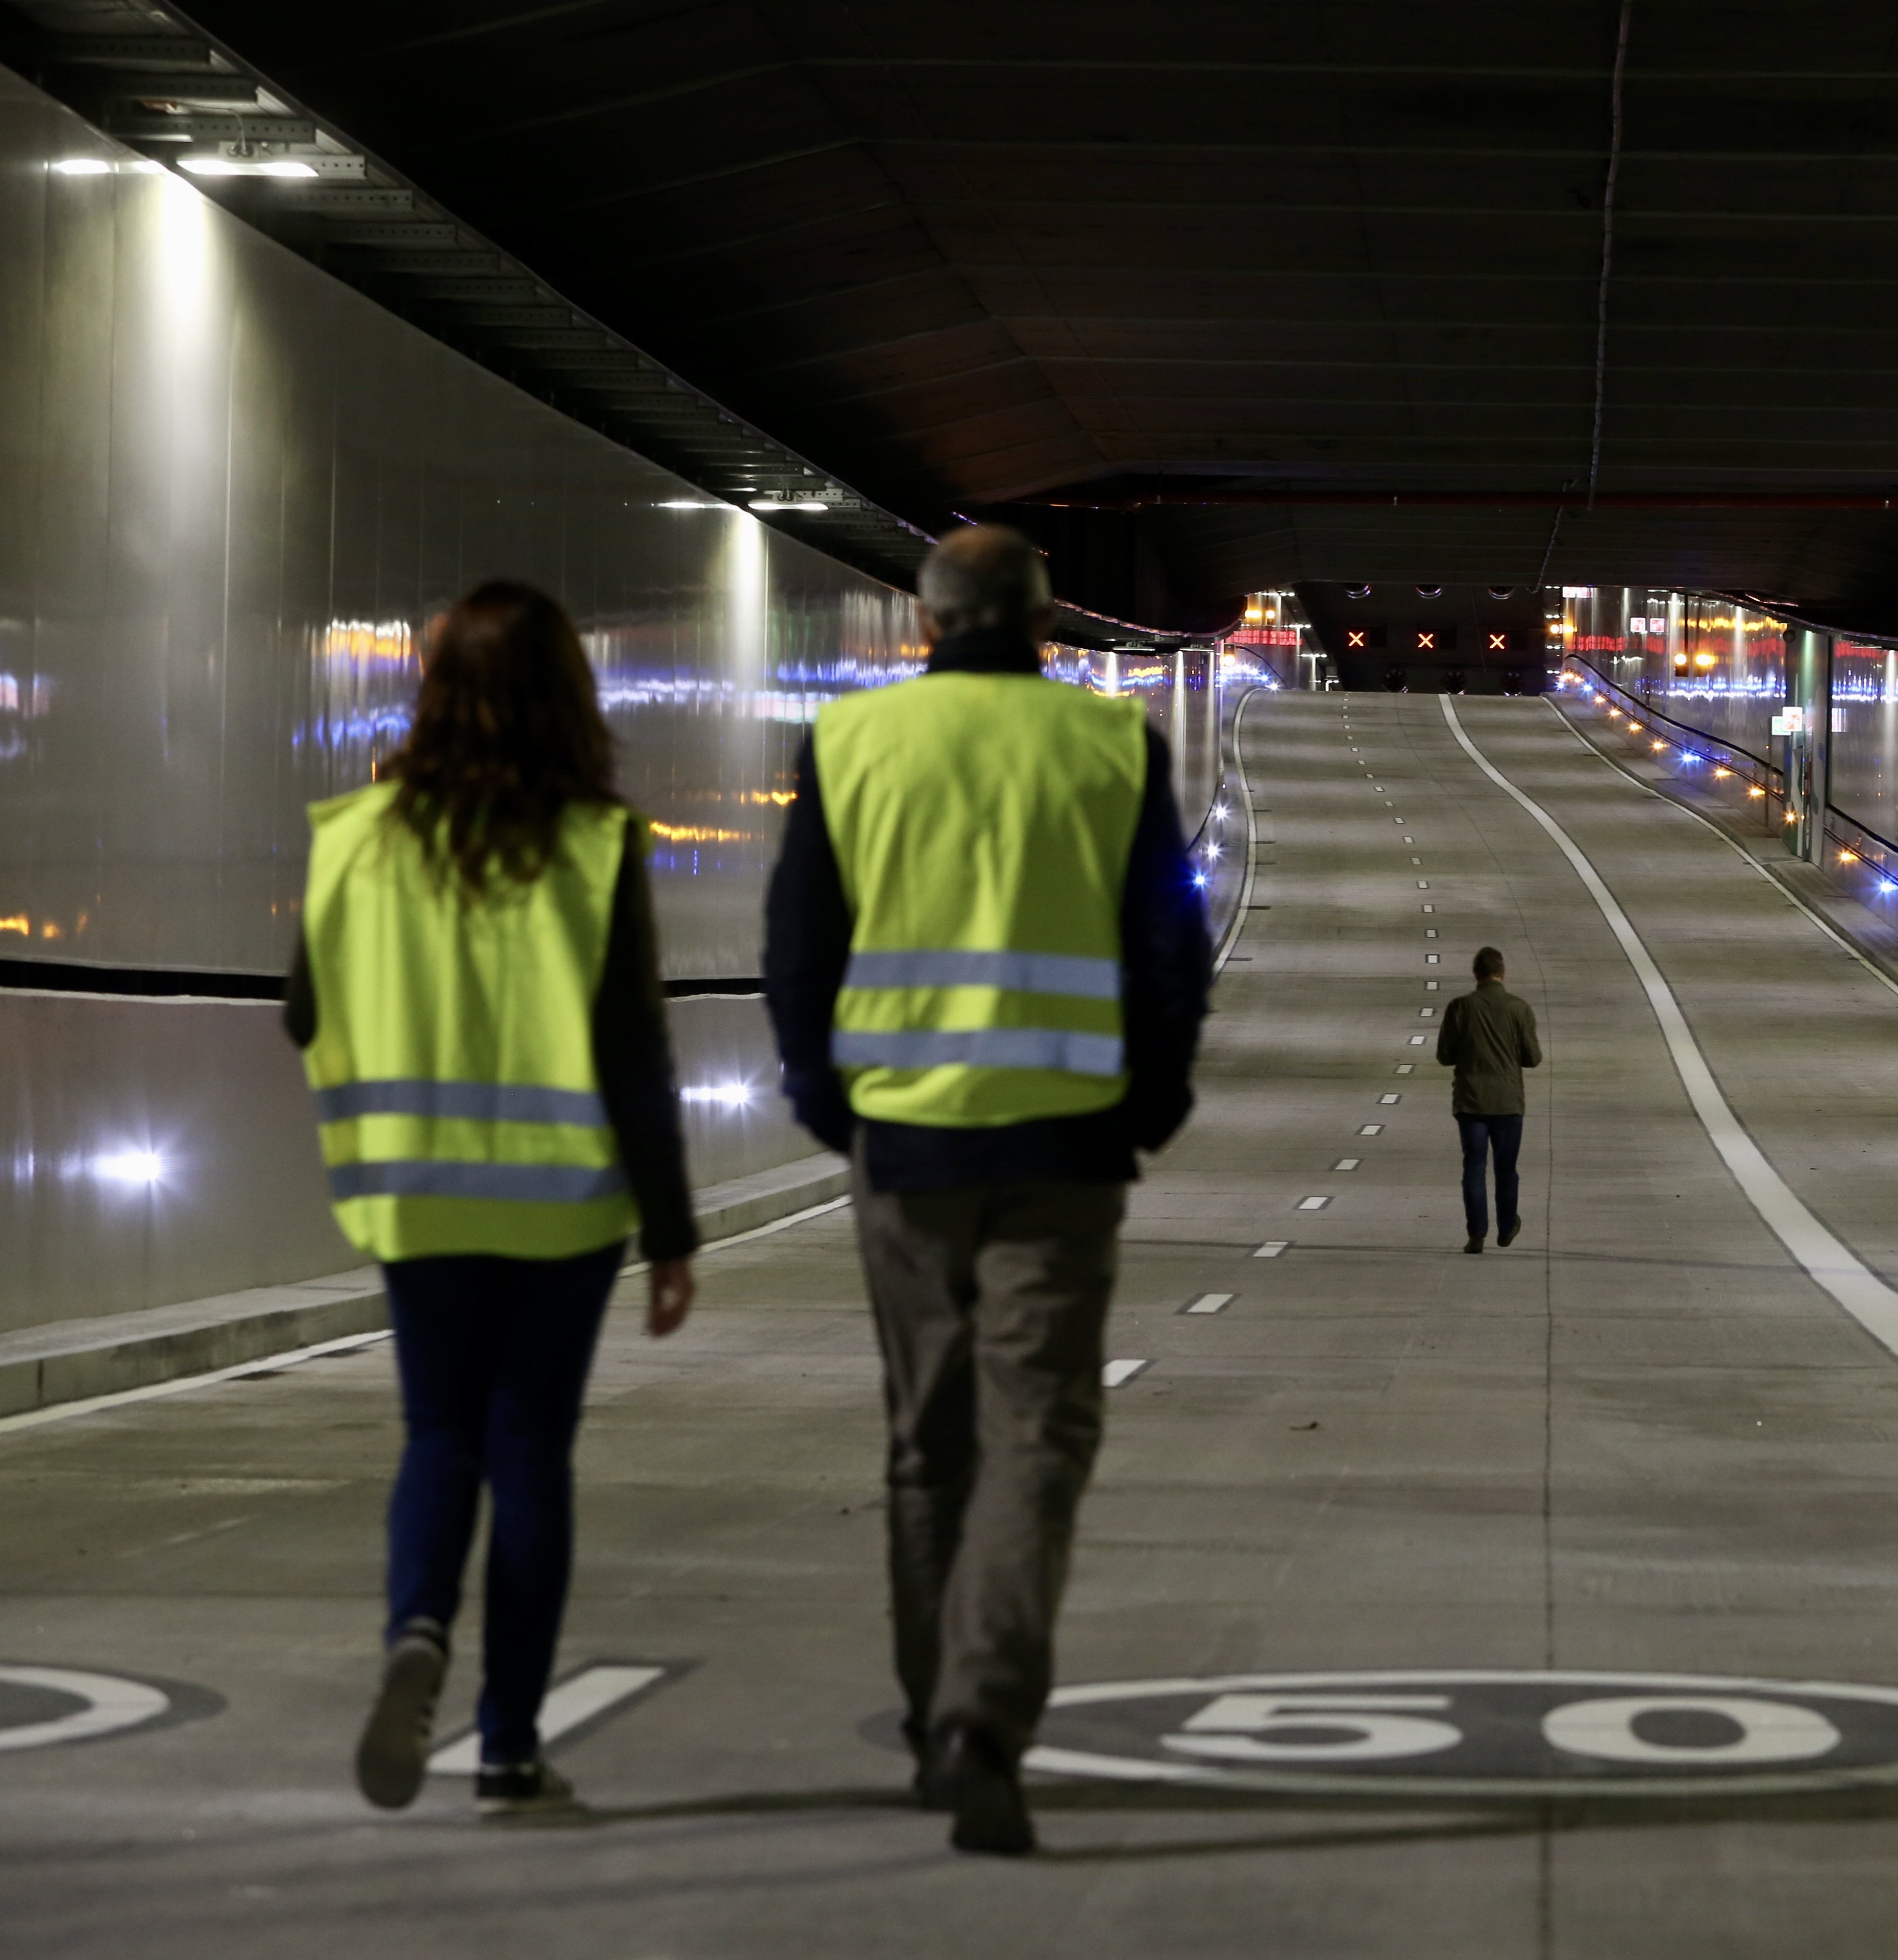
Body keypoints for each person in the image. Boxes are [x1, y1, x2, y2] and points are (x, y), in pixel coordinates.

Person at [762, 525, 1211, 1856]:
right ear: (1043, 621)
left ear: (926, 623)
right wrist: (1152, 1102)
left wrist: (828, 1104)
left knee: (928, 1443)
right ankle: (983, 1723)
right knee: (1040, 1440)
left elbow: (799, 949)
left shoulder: (852, 747)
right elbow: (1167, 944)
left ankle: (930, 1725)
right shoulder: (1108, 748)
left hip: (905, 1149)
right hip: (1066, 1150)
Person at [286, 579, 699, 1816]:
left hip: (413, 1191)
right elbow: (635, 1050)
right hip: (562, 1206)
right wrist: (673, 1232)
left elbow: (302, 1008)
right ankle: (509, 1741)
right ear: (568, 696)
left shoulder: (356, 832)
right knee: (530, 1450)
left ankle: (417, 1625)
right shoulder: (595, 842)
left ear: (433, 688)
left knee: (437, 1432)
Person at [1437, 946, 1542, 1253]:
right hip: (1508, 1103)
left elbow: (1445, 1055)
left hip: (1471, 1102)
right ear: (1502, 973)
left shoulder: (1460, 1007)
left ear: (1476, 974)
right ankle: (1507, 1225)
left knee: (1474, 1166)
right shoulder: (1519, 1008)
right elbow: (1533, 1057)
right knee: (1506, 1169)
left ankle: (1477, 1234)